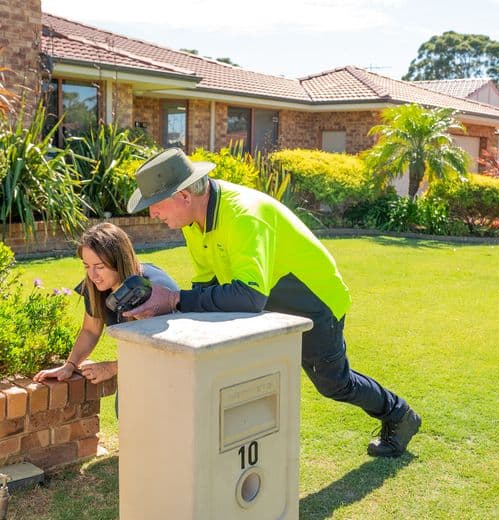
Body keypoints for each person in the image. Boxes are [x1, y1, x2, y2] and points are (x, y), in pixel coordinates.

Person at [124, 148, 421, 457]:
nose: (152, 215)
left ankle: (400, 415)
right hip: (270, 302)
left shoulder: (242, 215)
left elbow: (248, 297)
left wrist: (173, 299)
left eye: (155, 205)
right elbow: (207, 284)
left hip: (314, 301)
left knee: (334, 384)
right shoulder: (193, 223)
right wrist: (168, 310)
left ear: (184, 195)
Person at [33, 222, 178, 387]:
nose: (93, 275)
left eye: (100, 267)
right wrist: (69, 365)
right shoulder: (96, 286)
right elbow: (90, 330)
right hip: (135, 370)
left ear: (119, 262)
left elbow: (165, 350)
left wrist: (112, 368)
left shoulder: (152, 292)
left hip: (171, 376)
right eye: (87, 266)